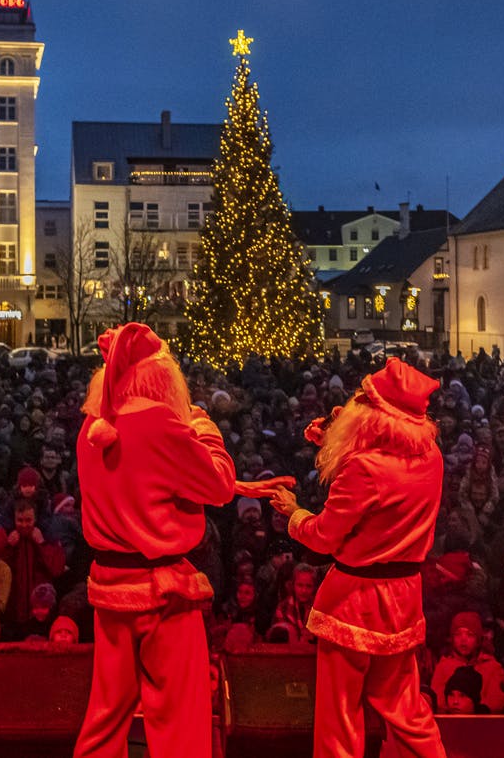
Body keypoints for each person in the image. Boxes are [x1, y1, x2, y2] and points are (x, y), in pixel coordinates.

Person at [72, 323, 289, 758]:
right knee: (178, 721)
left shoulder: (91, 429)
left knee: (105, 716)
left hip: (111, 592)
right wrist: (203, 428)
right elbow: (219, 485)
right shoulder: (161, 424)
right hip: (163, 594)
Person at [272, 357, 448, 758]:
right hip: (403, 598)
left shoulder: (363, 468)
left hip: (353, 603)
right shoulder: (432, 457)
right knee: (405, 705)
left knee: (340, 715)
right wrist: (335, 436)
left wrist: (293, 513)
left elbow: (323, 537)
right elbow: (389, 468)